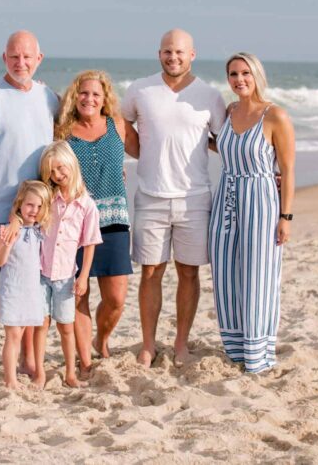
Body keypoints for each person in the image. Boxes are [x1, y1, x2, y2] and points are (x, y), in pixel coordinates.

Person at [121, 29, 226, 367]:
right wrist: (144, 154)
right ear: (159, 54)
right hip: (150, 195)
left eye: (180, 52)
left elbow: (222, 141)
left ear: (192, 54)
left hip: (194, 197)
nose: (173, 57)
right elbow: (119, 125)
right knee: (150, 272)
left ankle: (181, 343)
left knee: (189, 273)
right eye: (167, 51)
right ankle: (149, 344)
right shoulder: (140, 89)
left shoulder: (209, 95)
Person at [0, 30, 59, 379]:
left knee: (33, 287)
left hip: (37, 216)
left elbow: (76, 130)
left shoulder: (48, 97)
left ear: (39, 59)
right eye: (14, 57)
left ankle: (29, 360)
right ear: (4, 58)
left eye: (27, 57)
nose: (21, 63)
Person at [209, 52, 295, 373]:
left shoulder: (276, 116)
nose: (239, 79)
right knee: (226, 274)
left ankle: (258, 355)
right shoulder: (229, 111)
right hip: (226, 198)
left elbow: (287, 170)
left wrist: (285, 217)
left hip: (260, 200)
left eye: (245, 73)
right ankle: (236, 348)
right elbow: (225, 147)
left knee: (258, 278)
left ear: (257, 75)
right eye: (233, 74)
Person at [54, 70, 136, 373]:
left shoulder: (118, 126)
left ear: (105, 99)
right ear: (75, 97)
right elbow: (50, 170)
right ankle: (86, 360)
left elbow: (148, 152)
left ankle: (102, 338)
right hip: (73, 224)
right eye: (83, 93)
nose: (89, 99)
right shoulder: (61, 131)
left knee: (115, 298)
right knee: (79, 295)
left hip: (114, 220)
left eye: (95, 94)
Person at [34, 141, 102, 388]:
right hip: (41, 272)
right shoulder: (47, 198)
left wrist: (83, 277)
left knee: (65, 325)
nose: (57, 175)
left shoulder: (87, 205)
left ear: (72, 164)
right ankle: (39, 373)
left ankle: (70, 373)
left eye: (61, 169)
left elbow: (90, 243)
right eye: (51, 172)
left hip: (66, 276)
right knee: (41, 324)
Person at [0, 180, 52, 390]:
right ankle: (10, 380)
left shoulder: (38, 231)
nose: (34, 210)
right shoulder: (9, 231)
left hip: (31, 290)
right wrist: (6, 245)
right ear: (19, 204)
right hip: (12, 288)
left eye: (38, 206)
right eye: (29, 205)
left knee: (23, 330)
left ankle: (16, 373)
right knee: (13, 335)